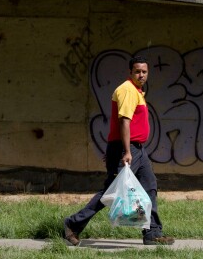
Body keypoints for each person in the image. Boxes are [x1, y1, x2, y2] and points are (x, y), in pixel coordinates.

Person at [63, 56, 174, 247]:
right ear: (130, 72)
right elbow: (124, 121)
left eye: (144, 72)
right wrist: (124, 150)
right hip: (128, 148)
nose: (141, 75)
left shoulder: (137, 91)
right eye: (137, 71)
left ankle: (152, 233)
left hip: (137, 148)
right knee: (111, 191)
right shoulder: (127, 90)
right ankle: (72, 224)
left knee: (150, 186)